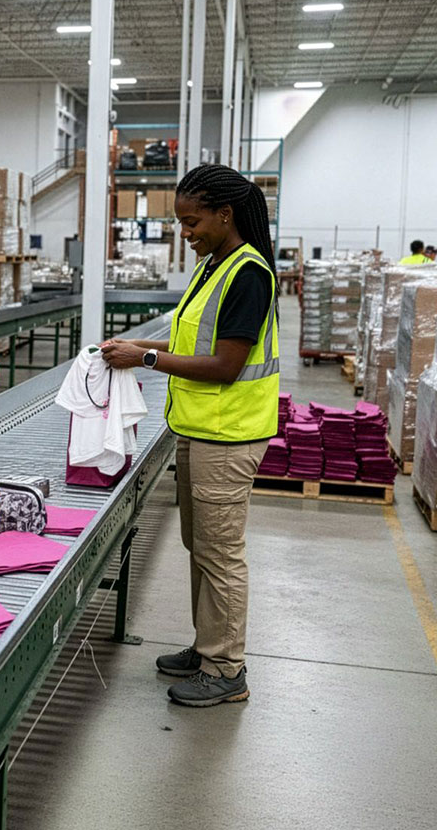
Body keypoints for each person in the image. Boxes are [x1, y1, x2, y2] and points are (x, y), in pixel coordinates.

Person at [101, 163, 279, 707]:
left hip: (228, 436)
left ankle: (227, 669)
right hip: (199, 430)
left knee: (220, 553)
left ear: (225, 215)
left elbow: (226, 365)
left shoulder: (247, 274)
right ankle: (209, 648)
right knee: (199, 544)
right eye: (180, 222)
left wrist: (147, 357)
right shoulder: (214, 265)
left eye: (191, 221)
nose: (186, 232)